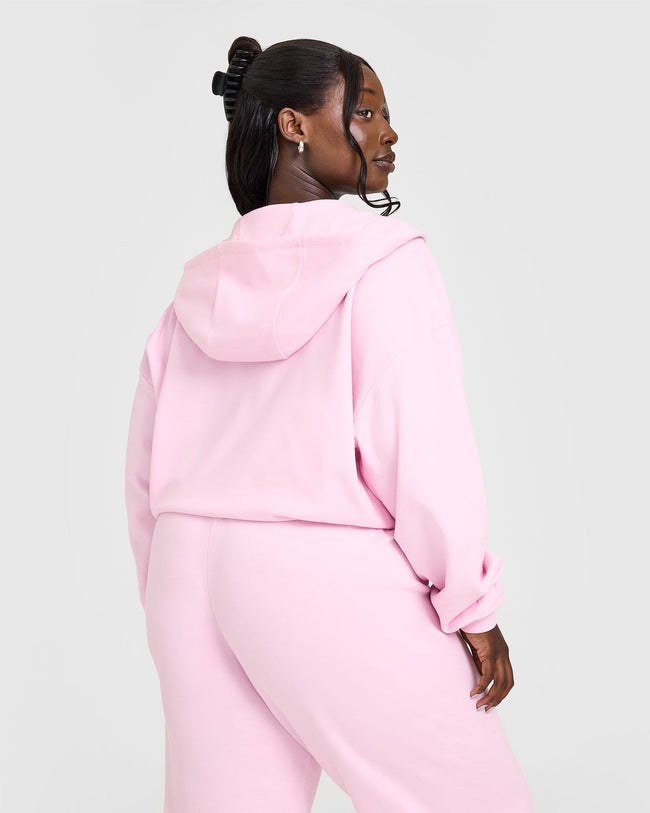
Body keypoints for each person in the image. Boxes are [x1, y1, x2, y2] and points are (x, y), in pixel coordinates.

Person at [124, 35, 535, 813]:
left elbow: (145, 474)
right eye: (367, 111)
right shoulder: (382, 263)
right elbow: (422, 451)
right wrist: (471, 604)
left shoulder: (196, 291)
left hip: (185, 575)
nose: (388, 132)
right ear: (294, 125)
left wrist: (174, 597)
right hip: (316, 575)